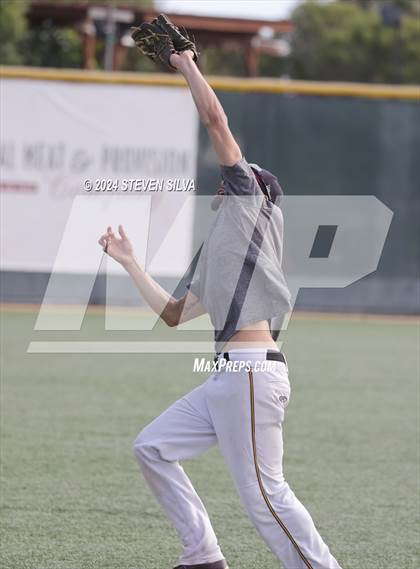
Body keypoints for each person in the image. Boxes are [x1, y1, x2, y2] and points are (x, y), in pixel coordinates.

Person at [98, 14, 342, 569]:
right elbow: (174, 315)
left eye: (243, 173)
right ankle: (203, 552)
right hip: (228, 380)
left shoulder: (248, 203)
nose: (231, 174)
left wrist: (186, 65)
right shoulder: (225, 250)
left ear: (257, 192)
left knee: (265, 496)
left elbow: (214, 117)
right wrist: (132, 262)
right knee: (153, 447)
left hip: (253, 373)